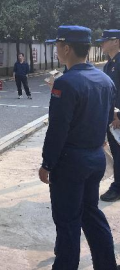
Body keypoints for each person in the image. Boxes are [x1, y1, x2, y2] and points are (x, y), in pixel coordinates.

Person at [39, 26, 117, 270]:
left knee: (67, 220)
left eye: (57, 45)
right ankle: (107, 265)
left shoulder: (65, 83)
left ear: (66, 48)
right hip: (95, 159)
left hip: (70, 162)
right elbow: (107, 119)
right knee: (90, 212)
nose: (56, 50)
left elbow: (58, 130)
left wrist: (47, 163)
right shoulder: (105, 80)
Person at [96, 29, 120, 202]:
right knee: (115, 151)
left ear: (116, 41)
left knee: (118, 154)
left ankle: (117, 187)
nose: (102, 44)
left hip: (117, 118)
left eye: (105, 40)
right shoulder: (108, 64)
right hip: (111, 117)